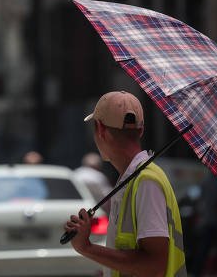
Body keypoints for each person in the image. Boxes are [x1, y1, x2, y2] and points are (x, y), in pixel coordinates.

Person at [64, 91, 186, 277]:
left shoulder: (146, 183)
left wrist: (87, 248)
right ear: (141, 130)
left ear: (100, 129)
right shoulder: (131, 180)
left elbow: (154, 266)